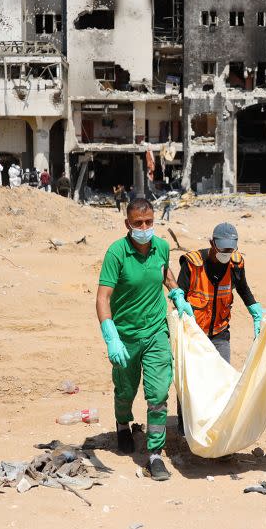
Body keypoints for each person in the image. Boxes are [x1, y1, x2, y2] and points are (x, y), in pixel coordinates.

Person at [95, 198, 194, 481]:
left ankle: (154, 455)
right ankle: (123, 425)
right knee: (125, 390)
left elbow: (165, 272)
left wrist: (176, 293)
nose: (144, 227)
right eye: (138, 223)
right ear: (128, 224)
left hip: (155, 333)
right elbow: (103, 298)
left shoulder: (161, 247)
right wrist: (110, 336)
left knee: (158, 393)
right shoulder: (117, 253)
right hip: (125, 336)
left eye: (149, 222)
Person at [176, 223, 261, 363]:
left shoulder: (236, 264)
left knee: (222, 379)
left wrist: (254, 310)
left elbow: (243, 288)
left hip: (220, 333)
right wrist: (179, 302)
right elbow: (179, 294)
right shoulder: (193, 264)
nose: (226, 253)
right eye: (222, 248)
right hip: (193, 334)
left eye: (230, 249)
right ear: (212, 243)